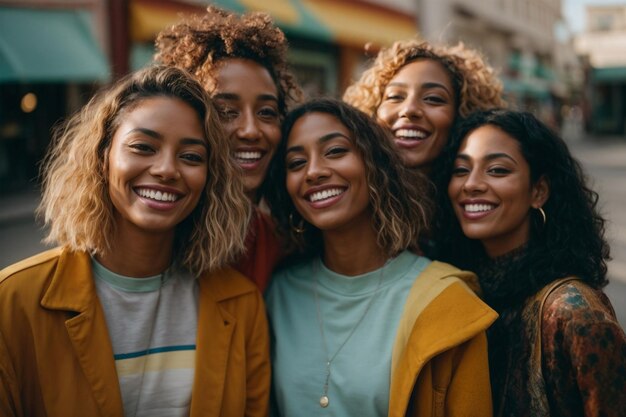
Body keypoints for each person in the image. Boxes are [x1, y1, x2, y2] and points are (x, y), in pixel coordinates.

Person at [0, 66, 270, 417]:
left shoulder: (242, 304)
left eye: (191, 156)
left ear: (210, 179)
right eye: (143, 147)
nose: (167, 169)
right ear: (102, 157)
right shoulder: (12, 303)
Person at [263, 98, 498, 417]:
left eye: (335, 151)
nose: (314, 172)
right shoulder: (277, 294)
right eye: (296, 163)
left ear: (375, 165)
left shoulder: (446, 300)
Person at [435, 109, 626, 416]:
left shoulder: (573, 312)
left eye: (497, 170)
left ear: (538, 191)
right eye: (460, 170)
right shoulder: (460, 290)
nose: (471, 184)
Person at [155, 5, 303, 291]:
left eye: (267, 112)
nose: (250, 130)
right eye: (225, 111)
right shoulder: (155, 232)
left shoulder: (275, 242)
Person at [343, 39, 505, 173]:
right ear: (373, 111)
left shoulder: (473, 203)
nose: (409, 109)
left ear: (463, 114)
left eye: (433, 98)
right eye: (395, 96)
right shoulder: (352, 200)